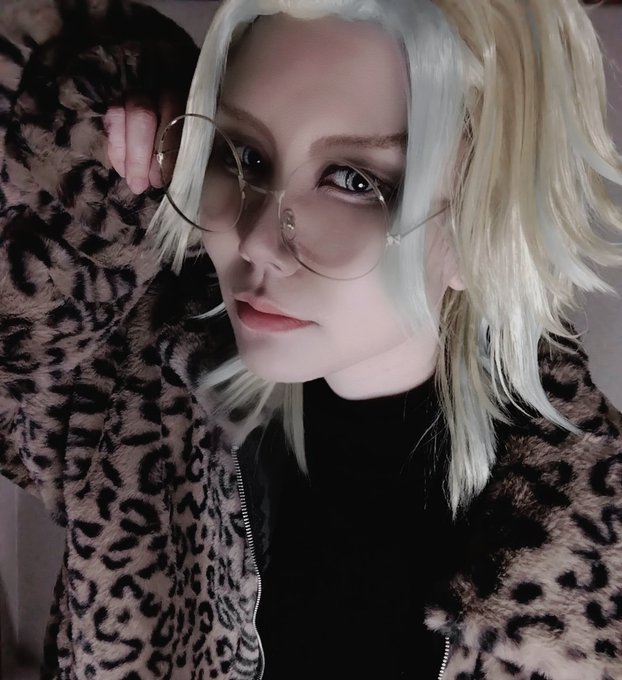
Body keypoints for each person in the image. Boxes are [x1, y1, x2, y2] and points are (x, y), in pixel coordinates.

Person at [0, 0, 621, 678]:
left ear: (487, 229)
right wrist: (98, 124)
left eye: (354, 181)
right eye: (243, 154)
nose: (258, 242)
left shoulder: (598, 553)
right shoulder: (134, 384)